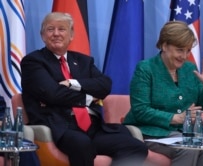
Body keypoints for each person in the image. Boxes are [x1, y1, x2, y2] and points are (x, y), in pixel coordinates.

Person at [20, 12, 148, 166]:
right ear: (42, 35)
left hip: (93, 127)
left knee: (136, 148)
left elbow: (105, 85)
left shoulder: (83, 61)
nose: (56, 34)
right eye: (50, 29)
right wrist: (89, 98)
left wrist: (73, 83)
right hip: (60, 127)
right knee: (82, 143)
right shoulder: (33, 61)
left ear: (71, 35)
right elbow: (52, 94)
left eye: (62, 29)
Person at [123, 21, 203, 166]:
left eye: (187, 51)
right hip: (150, 132)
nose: (184, 56)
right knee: (188, 147)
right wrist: (175, 118)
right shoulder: (145, 69)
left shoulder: (190, 69)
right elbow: (140, 111)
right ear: (164, 45)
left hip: (184, 133)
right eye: (180, 50)